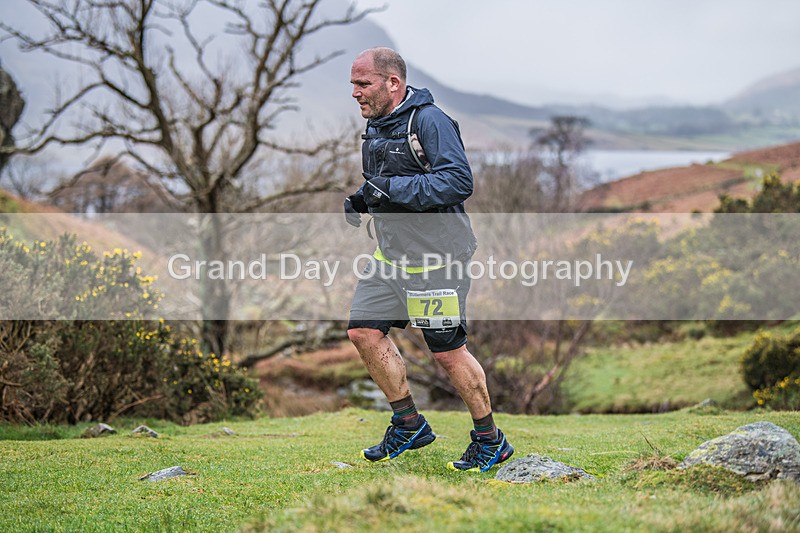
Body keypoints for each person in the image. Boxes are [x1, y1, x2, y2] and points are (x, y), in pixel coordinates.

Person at [344, 47, 514, 472]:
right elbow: (388, 179)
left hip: (437, 260)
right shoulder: (377, 126)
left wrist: (391, 191)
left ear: (393, 83)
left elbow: (457, 181)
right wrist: (362, 198)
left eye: (363, 84)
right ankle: (408, 423)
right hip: (391, 257)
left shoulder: (429, 121)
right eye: (353, 84)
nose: (355, 92)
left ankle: (490, 439)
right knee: (363, 332)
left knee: (447, 352)